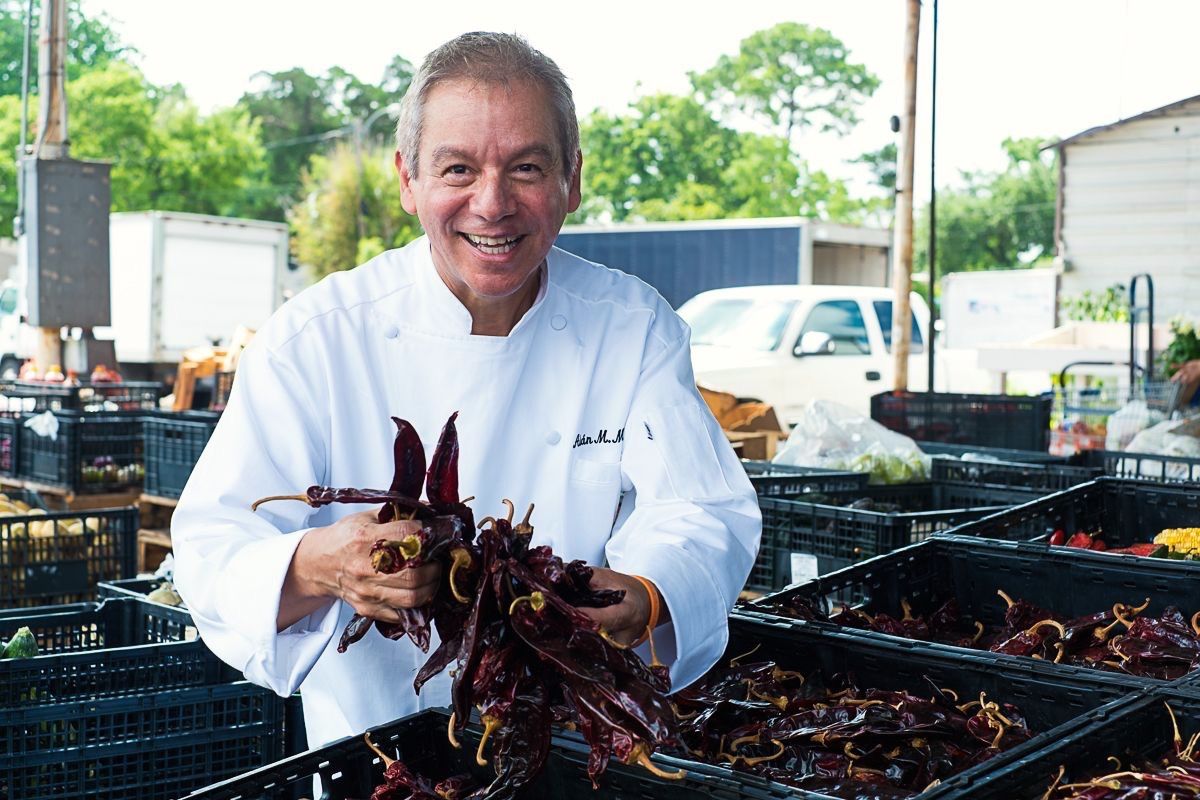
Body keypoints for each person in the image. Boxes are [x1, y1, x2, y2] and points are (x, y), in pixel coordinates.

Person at [171, 31, 761, 750]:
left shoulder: (634, 328)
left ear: (572, 179)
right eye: (457, 168)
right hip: (378, 750)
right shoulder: (317, 338)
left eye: (527, 168)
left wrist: (649, 594)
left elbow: (698, 506)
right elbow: (212, 548)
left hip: (582, 747)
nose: (492, 204)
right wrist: (316, 564)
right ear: (408, 179)